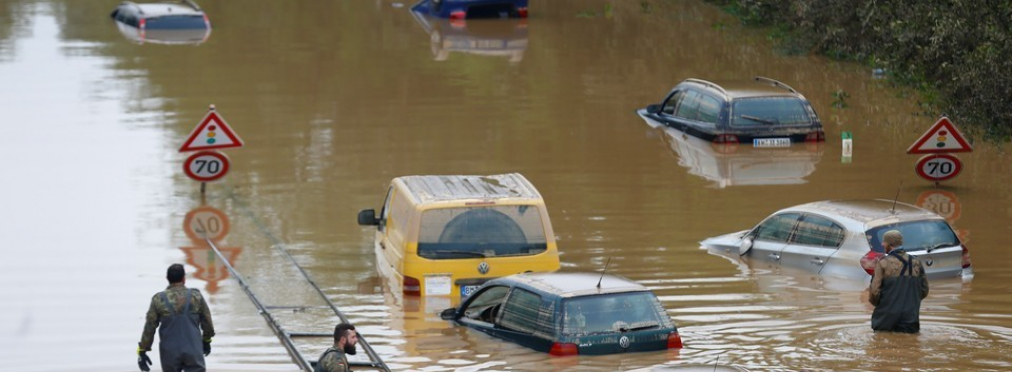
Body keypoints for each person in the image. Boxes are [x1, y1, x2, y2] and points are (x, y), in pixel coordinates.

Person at [137, 264, 215, 372]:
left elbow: (149, 328)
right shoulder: (196, 296)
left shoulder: (158, 299)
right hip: (193, 350)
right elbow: (207, 323)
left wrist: (142, 350)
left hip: (169, 353)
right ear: (184, 279)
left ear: (167, 279)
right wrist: (206, 340)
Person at [868, 230, 929, 333]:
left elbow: (874, 292)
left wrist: (883, 306)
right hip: (910, 319)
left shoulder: (883, 263)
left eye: (884, 242)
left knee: (882, 346)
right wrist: (909, 302)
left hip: (885, 319)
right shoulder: (916, 262)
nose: (882, 244)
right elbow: (924, 290)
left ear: (890, 244)